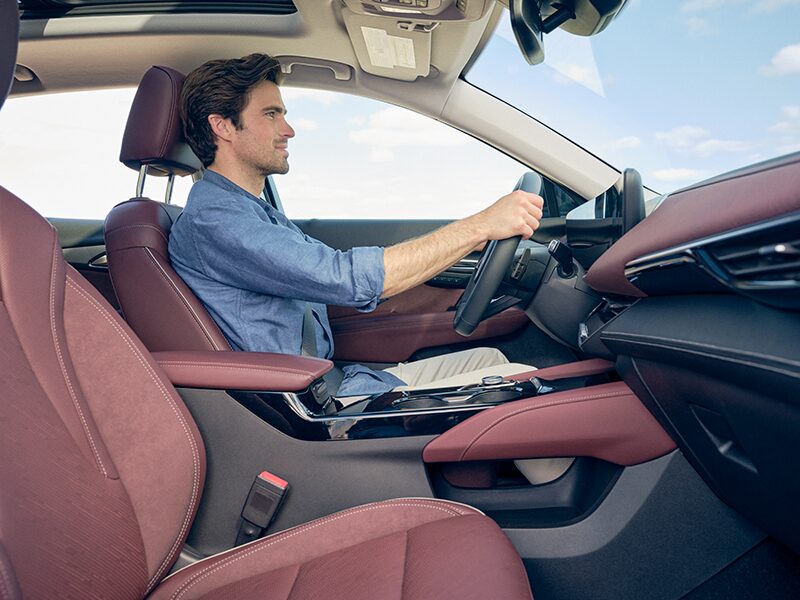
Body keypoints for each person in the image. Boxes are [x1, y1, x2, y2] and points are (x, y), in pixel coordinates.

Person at [169, 53, 543, 398]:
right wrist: (478, 227)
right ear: (222, 127)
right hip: (310, 403)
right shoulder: (215, 219)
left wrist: (462, 244)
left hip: (333, 379)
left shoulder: (252, 211)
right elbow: (342, 278)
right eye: (271, 114)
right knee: (524, 385)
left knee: (489, 360)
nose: (288, 129)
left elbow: (326, 279)